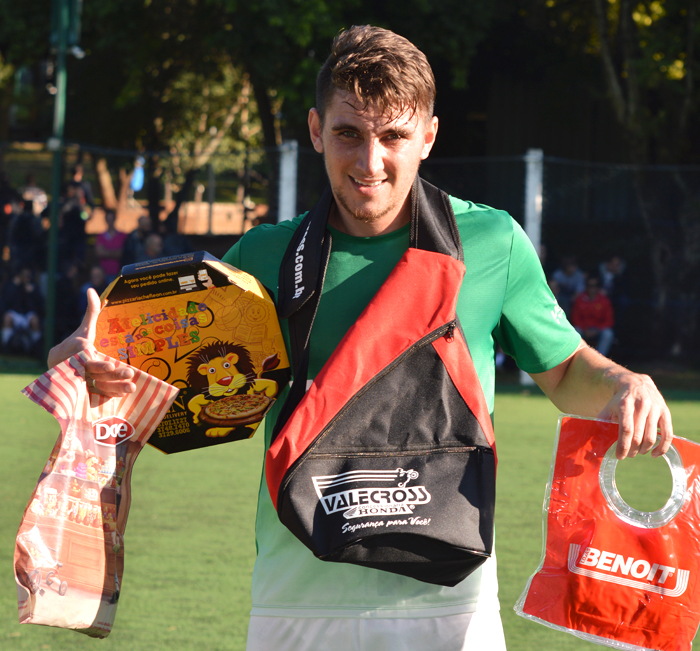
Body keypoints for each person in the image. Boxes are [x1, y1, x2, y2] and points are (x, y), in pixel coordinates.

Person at [48, 25, 672, 651]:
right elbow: (152, 391)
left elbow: (563, 373)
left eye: (394, 136)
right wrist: (85, 371)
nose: (369, 163)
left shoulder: (493, 243)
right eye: (349, 133)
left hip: (448, 602)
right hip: (294, 596)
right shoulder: (263, 257)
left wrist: (622, 384)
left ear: (428, 136)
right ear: (317, 130)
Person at [572, 276, 615, 357]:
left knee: (608, 333)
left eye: (595, 285)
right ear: (586, 286)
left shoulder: (604, 300)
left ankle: (599, 358)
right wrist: (585, 329)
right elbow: (575, 319)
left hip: (598, 329)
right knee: (576, 331)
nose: (592, 288)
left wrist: (597, 330)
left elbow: (609, 320)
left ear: (598, 287)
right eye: (590, 285)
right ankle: (578, 358)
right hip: (583, 329)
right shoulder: (580, 299)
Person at [95, 209, 127, 282]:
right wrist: (115, 252)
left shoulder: (123, 236)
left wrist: (106, 252)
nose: (110, 221)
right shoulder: (100, 236)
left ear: (115, 219)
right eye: (108, 219)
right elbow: (100, 253)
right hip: (104, 274)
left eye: (111, 219)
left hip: (120, 273)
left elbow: (122, 253)